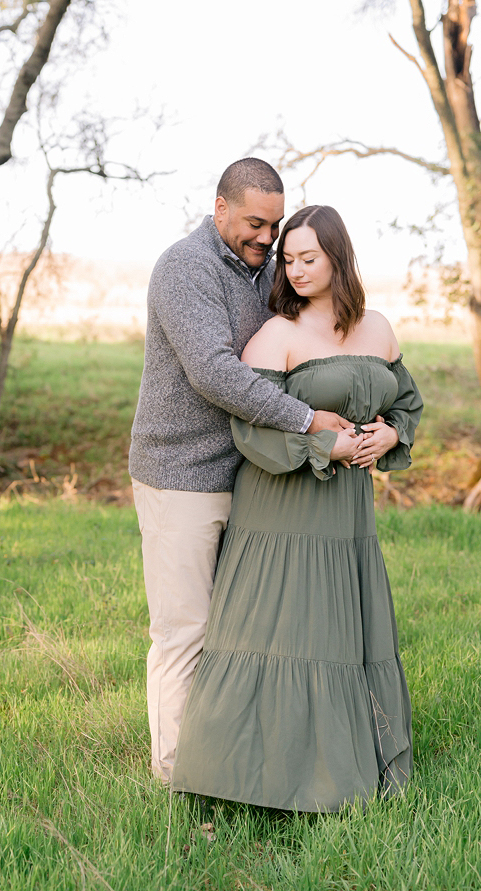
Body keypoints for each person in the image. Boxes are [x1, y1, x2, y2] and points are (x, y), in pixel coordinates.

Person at [172, 204, 421, 811]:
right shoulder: (278, 334)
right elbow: (250, 426)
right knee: (281, 632)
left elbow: (407, 401)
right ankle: (250, 778)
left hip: (349, 514)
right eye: (289, 259)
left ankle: (340, 775)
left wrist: (391, 435)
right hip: (282, 507)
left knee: (340, 633)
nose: (297, 269)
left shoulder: (379, 328)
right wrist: (326, 443)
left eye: (310, 257)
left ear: (340, 257)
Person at [128, 158, 354, 788]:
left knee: (240, 635)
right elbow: (215, 373)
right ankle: (178, 780)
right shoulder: (186, 268)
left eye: (275, 226)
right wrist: (311, 423)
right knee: (186, 634)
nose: (266, 237)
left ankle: (232, 762)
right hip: (180, 474)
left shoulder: (265, 272)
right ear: (220, 206)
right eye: (255, 222)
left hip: (253, 477)